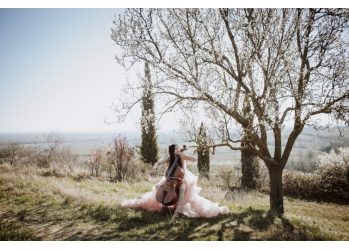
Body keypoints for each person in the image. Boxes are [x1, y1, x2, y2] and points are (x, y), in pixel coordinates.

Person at [121, 144, 229, 218]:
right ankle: (163, 206)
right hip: (170, 180)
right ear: (172, 151)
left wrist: (184, 155)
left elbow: (194, 159)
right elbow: (158, 163)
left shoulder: (181, 157)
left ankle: (177, 211)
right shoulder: (169, 158)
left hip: (182, 179)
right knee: (159, 187)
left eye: (178, 149)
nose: (177, 150)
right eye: (176, 149)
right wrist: (154, 168)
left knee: (182, 188)